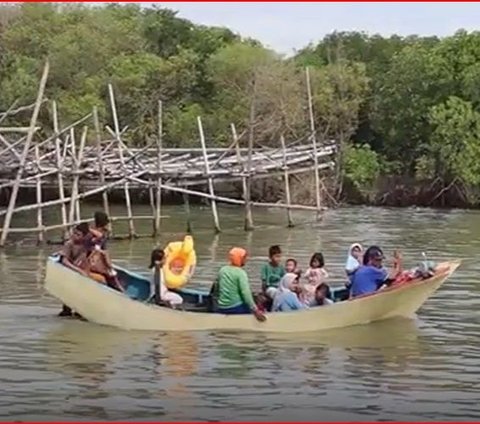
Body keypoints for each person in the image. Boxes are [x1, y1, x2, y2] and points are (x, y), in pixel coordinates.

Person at [216, 247, 266, 321]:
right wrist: (256, 310)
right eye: (244, 258)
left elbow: (218, 288)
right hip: (235, 308)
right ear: (239, 258)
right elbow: (246, 294)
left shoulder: (222, 270)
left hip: (221, 307)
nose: (246, 260)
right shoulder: (241, 273)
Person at [57, 223, 91, 317]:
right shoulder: (69, 244)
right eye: (74, 233)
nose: (75, 236)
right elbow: (64, 261)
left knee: (79, 307)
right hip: (69, 272)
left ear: (84, 236)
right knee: (67, 307)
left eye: (78, 234)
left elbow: (101, 238)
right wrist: (78, 270)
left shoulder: (86, 244)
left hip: (79, 274)